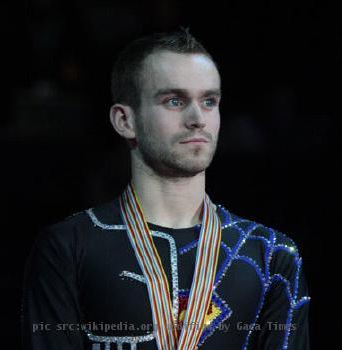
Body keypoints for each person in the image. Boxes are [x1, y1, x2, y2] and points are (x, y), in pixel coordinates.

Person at [22, 29, 310, 350]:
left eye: (209, 101)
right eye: (174, 101)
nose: (198, 118)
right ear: (124, 121)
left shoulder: (271, 254)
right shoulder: (67, 246)